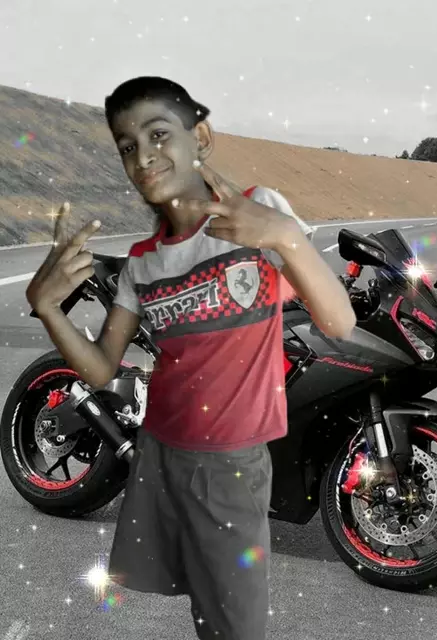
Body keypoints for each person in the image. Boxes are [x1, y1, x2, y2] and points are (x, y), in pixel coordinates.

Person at [25, 76, 356, 640]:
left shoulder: (258, 210)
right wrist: (48, 308)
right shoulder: (142, 263)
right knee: (210, 614)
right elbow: (102, 368)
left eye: (158, 134)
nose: (143, 157)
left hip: (233, 464)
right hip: (161, 454)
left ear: (199, 136)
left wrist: (285, 236)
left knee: (235, 621)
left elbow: (339, 321)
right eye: (127, 146)